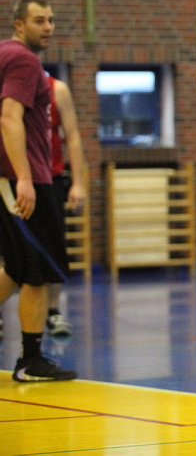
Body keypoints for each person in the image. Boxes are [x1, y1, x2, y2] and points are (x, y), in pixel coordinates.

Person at [0, 0, 76, 382]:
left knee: (17, 268)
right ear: (18, 24)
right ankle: (30, 361)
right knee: (37, 271)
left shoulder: (5, 55)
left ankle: (31, 359)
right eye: (38, 21)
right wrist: (24, 178)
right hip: (22, 178)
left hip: (15, 177)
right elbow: (9, 117)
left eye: (50, 20)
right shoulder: (23, 60)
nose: (48, 27)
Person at [43, 76, 89, 337]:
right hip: (10, 179)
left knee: (53, 246)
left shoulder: (56, 89)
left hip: (50, 179)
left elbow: (72, 136)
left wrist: (78, 183)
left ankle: (52, 310)